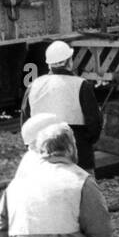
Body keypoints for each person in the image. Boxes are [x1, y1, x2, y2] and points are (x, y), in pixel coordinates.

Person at [22, 40, 103, 174]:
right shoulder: (81, 85)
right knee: (84, 190)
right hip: (79, 152)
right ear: (69, 62)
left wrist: (36, 148)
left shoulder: (33, 86)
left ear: (49, 64)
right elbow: (94, 122)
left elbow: (26, 125)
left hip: (44, 154)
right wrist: (86, 143)